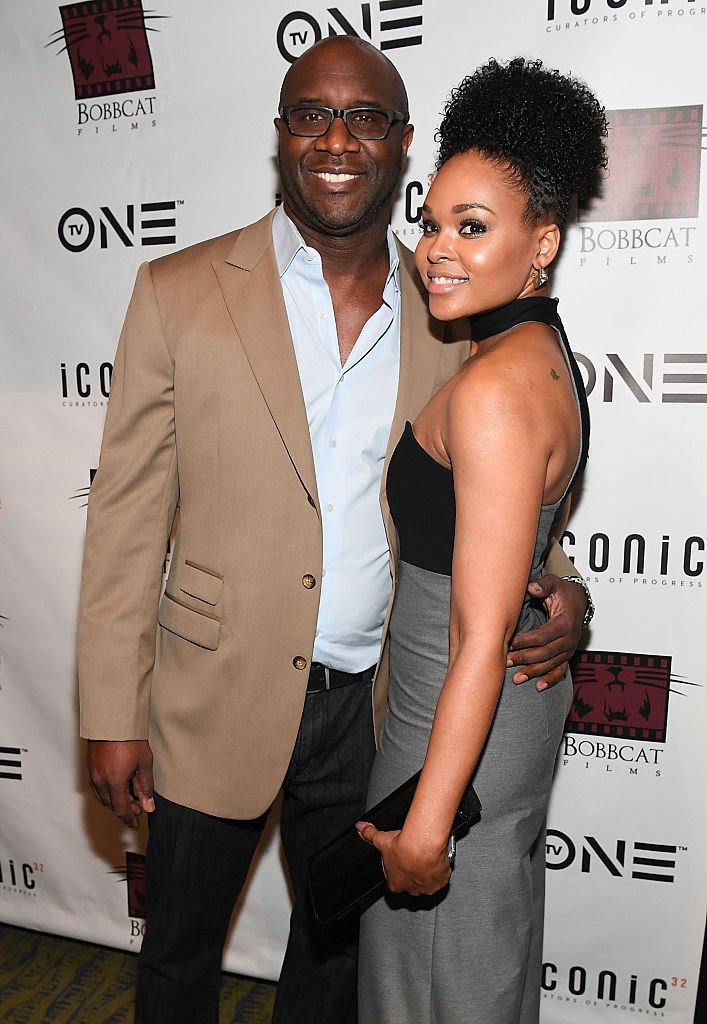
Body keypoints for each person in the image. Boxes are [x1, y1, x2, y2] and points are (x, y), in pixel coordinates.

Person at [77, 39, 592, 1024]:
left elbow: (492, 490)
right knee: (178, 958)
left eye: (366, 118)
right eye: (312, 114)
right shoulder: (178, 292)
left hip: (374, 709)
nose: (337, 137)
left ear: (401, 145)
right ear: (279, 136)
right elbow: (126, 517)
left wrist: (558, 583)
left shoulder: (451, 313)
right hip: (207, 698)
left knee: (332, 967)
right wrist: (112, 707)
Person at [356, 57, 607, 1024]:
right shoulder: (533, 356)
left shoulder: (498, 390)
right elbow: (513, 548)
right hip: (483, 717)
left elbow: (475, 634)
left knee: (433, 983)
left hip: (451, 729)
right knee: (474, 965)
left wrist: (425, 824)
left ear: (539, 243)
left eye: (471, 228)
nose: (434, 249)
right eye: (430, 222)